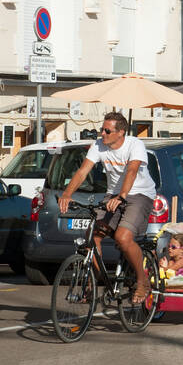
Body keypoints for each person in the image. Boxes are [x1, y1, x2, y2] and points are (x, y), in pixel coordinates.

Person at [58, 112, 155, 303]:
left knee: (123, 237)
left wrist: (122, 195)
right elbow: (83, 171)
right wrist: (67, 194)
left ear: (120, 133)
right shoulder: (98, 145)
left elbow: (132, 171)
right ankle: (93, 282)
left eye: (107, 130)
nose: (102, 133)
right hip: (113, 195)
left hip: (139, 194)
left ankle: (143, 282)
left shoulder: (135, 144)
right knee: (92, 237)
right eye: (101, 129)